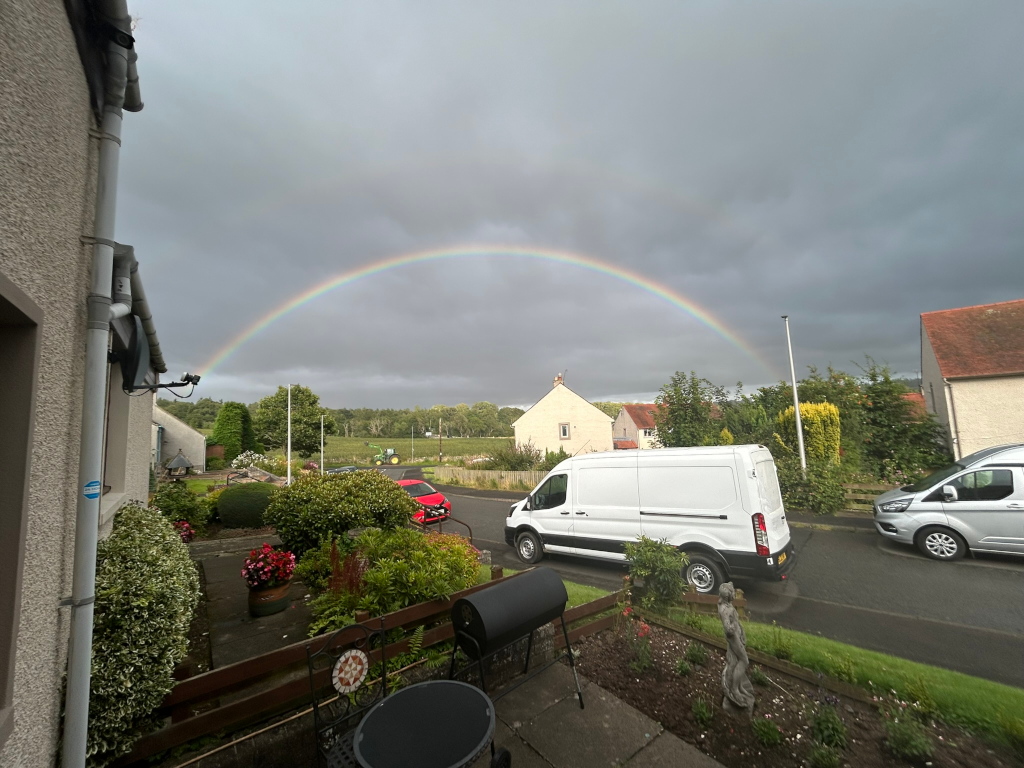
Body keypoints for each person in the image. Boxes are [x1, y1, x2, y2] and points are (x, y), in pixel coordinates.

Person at [717, 581, 755, 716]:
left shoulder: (727, 606)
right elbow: (728, 630)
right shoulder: (725, 610)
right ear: (729, 596)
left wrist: (741, 630)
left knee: (734, 662)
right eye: (732, 593)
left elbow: (736, 623)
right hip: (734, 640)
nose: (734, 595)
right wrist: (735, 628)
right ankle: (734, 689)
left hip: (738, 637)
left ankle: (738, 686)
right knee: (744, 661)